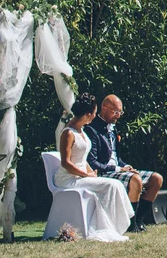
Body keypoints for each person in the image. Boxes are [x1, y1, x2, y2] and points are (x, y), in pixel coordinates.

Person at [55, 93, 134, 240]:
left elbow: (82, 158)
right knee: (111, 185)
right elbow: (66, 163)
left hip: (80, 175)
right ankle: (109, 227)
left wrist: (92, 173)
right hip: (68, 178)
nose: (95, 116)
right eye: (94, 113)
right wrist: (86, 175)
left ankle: (112, 225)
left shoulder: (81, 131)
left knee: (114, 184)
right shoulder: (68, 133)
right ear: (88, 114)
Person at [86, 94, 164, 220]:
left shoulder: (112, 128)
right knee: (136, 180)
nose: (119, 115)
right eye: (115, 112)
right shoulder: (92, 130)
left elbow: (116, 157)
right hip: (103, 172)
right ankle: (130, 223)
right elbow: (92, 163)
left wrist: (126, 166)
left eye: (120, 112)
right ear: (104, 108)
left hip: (118, 170)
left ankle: (139, 218)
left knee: (156, 179)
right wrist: (118, 169)